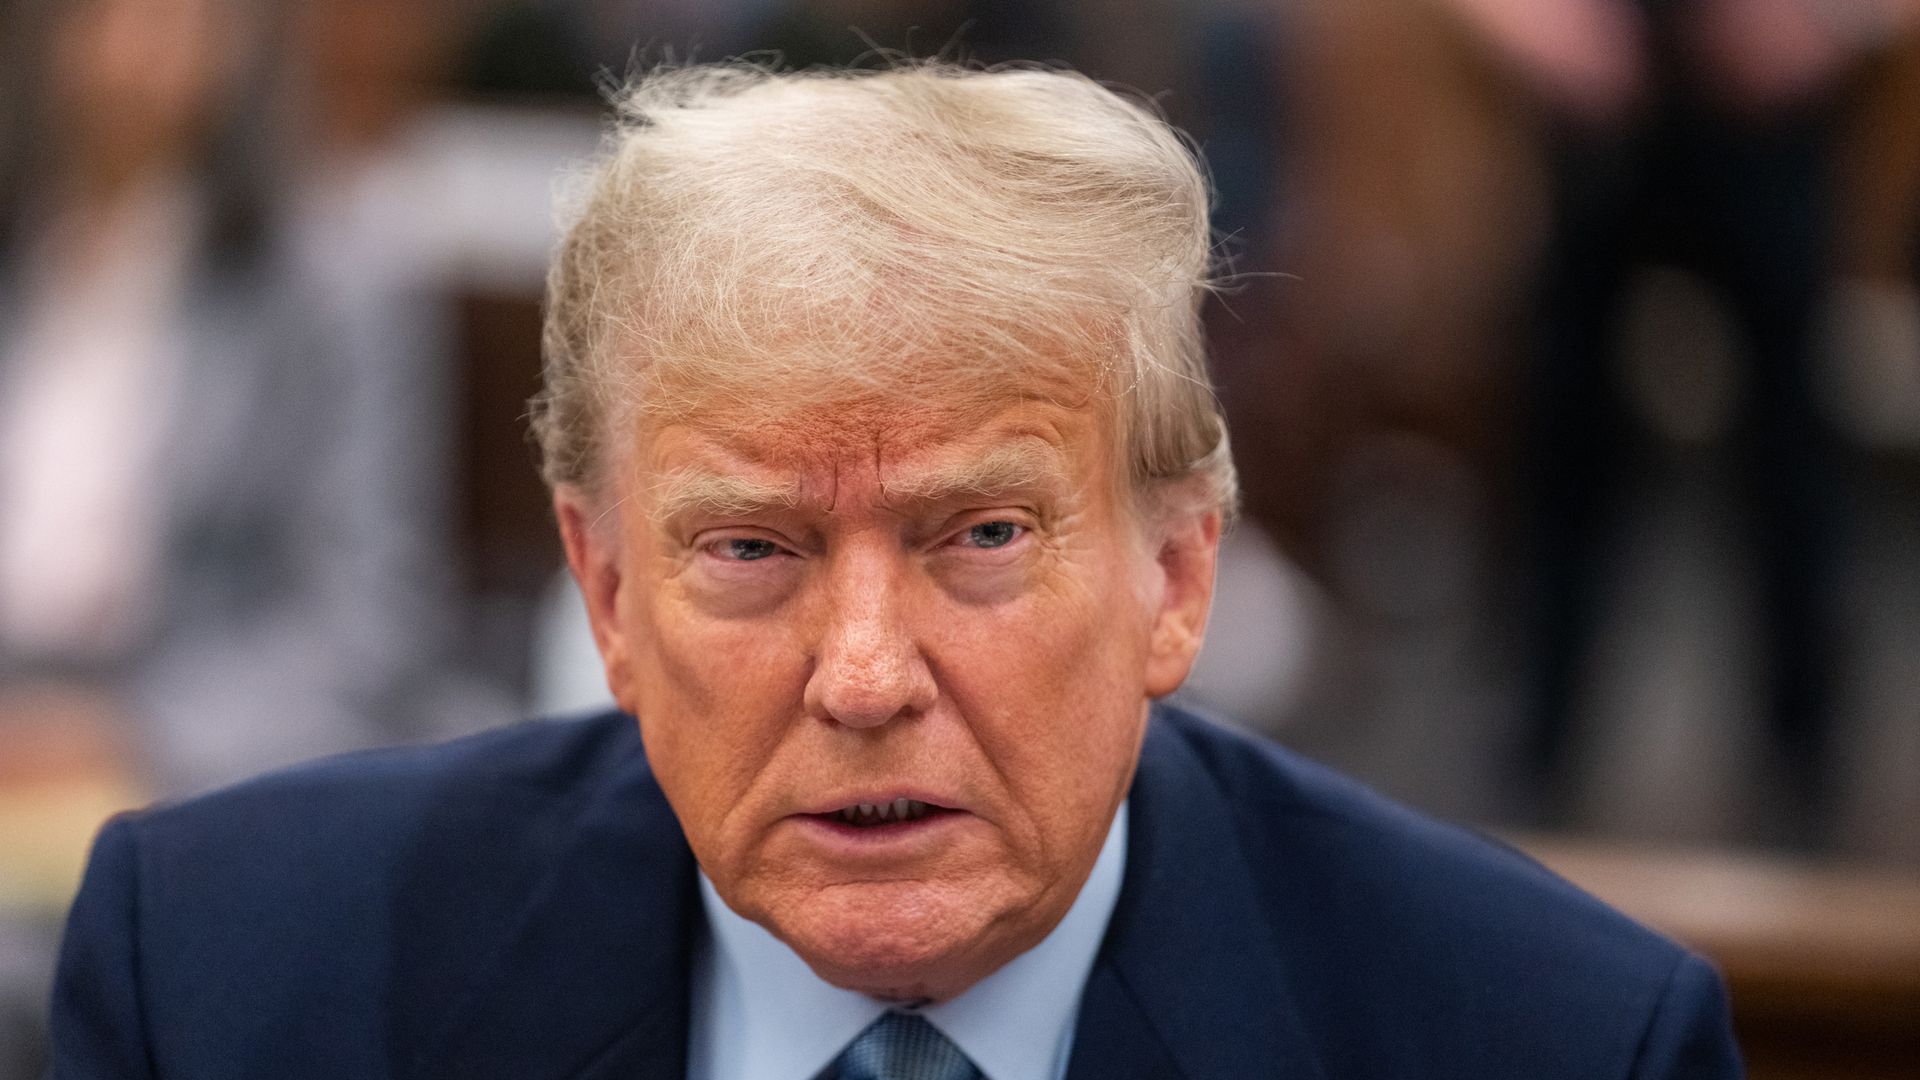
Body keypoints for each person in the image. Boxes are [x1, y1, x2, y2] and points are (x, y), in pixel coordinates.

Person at [50, 62, 1741, 1078]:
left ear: (1177, 575)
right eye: (751, 549)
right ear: (610, 591)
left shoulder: (1552, 1042)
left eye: (981, 538)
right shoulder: (231, 984)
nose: (863, 673)